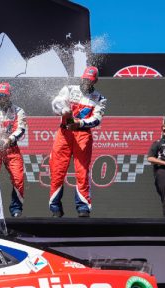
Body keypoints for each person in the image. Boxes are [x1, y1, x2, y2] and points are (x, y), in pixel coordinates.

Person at [49, 66, 106, 217]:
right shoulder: (68, 89)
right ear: (82, 77)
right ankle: (55, 207)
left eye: (90, 80)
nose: (87, 82)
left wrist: (79, 123)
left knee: (82, 171)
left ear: (96, 81)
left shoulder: (100, 99)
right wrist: (64, 111)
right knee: (57, 170)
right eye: (85, 79)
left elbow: (97, 120)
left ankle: (83, 207)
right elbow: (56, 103)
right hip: (64, 133)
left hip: (83, 134)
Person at [0, 82, 27, 217]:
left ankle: (16, 209)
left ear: (9, 96)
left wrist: (10, 139)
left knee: (18, 179)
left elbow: (21, 128)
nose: (1, 98)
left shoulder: (18, 111)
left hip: (12, 149)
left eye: (4, 96)